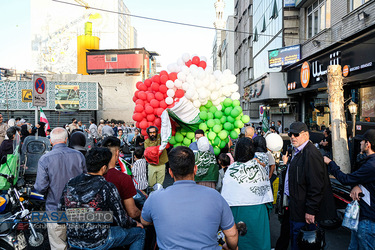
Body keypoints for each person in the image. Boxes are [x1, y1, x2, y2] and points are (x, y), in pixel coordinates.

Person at [141, 146, 238, 249]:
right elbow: (232, 234)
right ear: (195, 169)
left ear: (170, 172)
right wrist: (230, 247)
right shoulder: (215, 196)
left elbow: (144, 221)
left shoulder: (155, 198)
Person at [59, 147, 145, 249]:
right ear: (104, 168)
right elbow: (122, 220)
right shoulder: (106, 186)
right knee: (140, 233)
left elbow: (61, 215)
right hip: (98, 241)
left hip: (73, 240)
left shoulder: (71, 182)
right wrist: (136, 223)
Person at [282, 122, 335, 250]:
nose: (293, 137)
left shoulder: (311, 153)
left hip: (303, 210)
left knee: (302, 242)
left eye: (296, 134)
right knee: (296, 239)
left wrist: (310, 210)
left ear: (305, 135)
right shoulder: (298, 151)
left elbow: (316, 185)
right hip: (296, 206)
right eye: (290, 134)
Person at [34, 127, 86, 249]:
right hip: (78, 209)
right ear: (66, 140)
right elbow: (85, 181)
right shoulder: (79, 156)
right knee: (79, 245)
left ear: (51, 141)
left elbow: (40, 187)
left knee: (58, 246)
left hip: (55, 209)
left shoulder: (45, 159)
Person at [323, 129, 375, 250]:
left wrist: (331, 163)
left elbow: (346, 179)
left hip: (367, 220)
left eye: (362, 141)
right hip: (362, 219)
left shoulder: (371, 165)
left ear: (368, 144)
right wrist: (356, 185)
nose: (360, 143)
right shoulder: (369, 163)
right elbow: (358, 178)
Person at [221, 137, 273, 249]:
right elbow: (267, 195)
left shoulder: (231, 169)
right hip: (258, 211)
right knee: (258, 241)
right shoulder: (259, 168)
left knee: (240, 242)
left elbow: (226, 195)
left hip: (237, 210)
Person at [102, 136, 141, 220]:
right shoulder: (123, 178)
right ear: (117, 153)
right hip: (118, 225)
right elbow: (133, 213)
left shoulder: (91, 174)